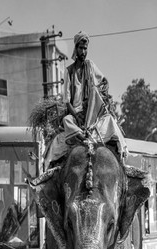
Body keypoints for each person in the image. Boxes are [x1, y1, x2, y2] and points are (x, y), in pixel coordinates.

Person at [61, 31, 126, 159]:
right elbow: (67, 101)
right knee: (66, 120)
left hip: (91, 112)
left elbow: (104, 81)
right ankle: (84, 137)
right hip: (76, 114)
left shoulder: (90, 65)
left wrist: (101, 93)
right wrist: (76, 116)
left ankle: (120, 154)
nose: (83, 52)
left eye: (85, 49)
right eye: (81, 48)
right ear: (76, 49)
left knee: (109, 120)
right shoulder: (69, 72)